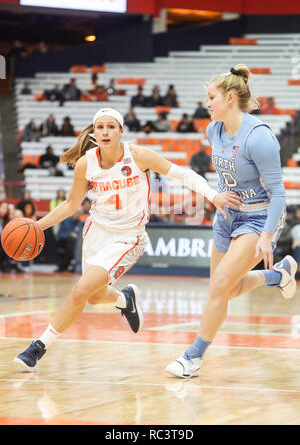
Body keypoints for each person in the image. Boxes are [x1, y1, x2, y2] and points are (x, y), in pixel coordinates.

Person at [13, 106, 241, 371]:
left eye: (111, 127)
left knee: (79, 292)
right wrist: (38, 226)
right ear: (94, 132)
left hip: (128, 237)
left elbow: (182, 174)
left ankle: (38, 346)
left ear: (121, 131)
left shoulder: (138, 156)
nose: (105, 132)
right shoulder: (87, 163)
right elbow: (71, 203)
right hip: (96, 233)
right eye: (100, 127)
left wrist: (212, 195)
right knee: (95, 298)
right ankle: (125, 300)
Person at [165, 64, 298, 379]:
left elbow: (279, 194)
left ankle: (193, 357)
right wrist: (217, 196)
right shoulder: (214, 130)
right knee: (226, 288)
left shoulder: (260, 137)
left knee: (218, 287)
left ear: (229, 97)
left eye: (211, 97)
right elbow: (228, 177)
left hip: (258, 217)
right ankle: (278, 277)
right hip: (226, 216)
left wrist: (267, 236)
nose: (207, 103)